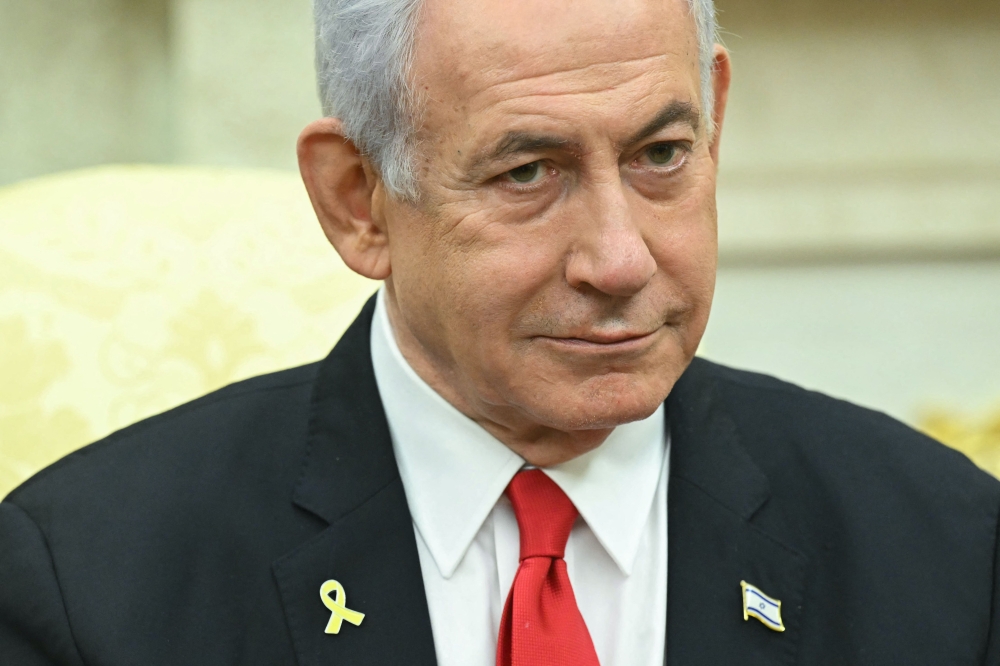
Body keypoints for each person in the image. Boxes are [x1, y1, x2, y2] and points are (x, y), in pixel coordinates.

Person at [2, 0, 998, 663]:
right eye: (528, 173)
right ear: (357, 201)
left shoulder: (944, 551)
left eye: (660, 154)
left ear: (716, 121)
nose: (619, 259)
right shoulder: (88, 586)